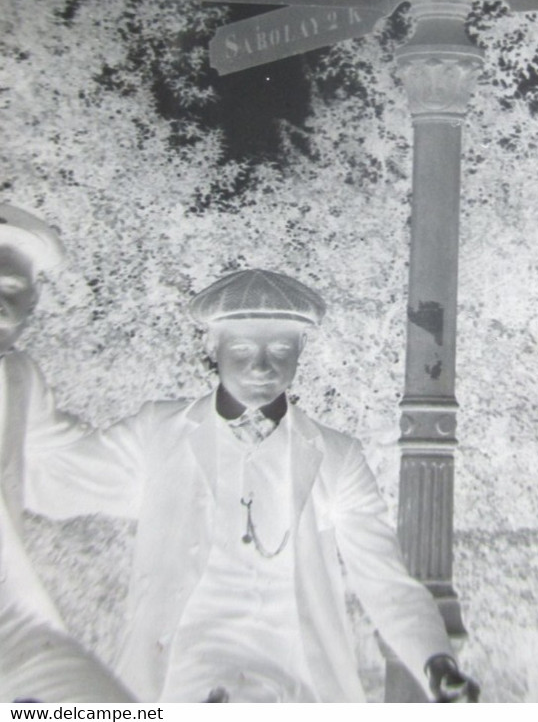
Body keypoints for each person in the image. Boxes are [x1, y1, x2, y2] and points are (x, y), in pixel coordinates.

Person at [25, 267, 479, 703]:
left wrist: (436, 660)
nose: (262, 366)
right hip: (180, 684)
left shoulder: (337, 457)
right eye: (242, 350)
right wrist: (18, 385)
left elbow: (385, 582)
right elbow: (55, 482)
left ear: (301, 348)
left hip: (297, 687)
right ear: (212, 346)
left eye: (280, 350)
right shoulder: (158, 434)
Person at [0, 203, 133, 703]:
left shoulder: (17, 377)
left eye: (11, 290)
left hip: (13, 628)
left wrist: (201, 478)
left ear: (33, 302)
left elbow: (76, 465)